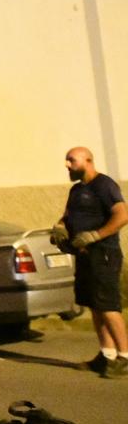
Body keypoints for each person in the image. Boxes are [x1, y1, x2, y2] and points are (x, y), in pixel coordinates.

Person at [51, 146, 128, 378]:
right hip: (84, 257)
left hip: (104, 254)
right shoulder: (76, 190)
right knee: (94, 305)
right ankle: (106, 354)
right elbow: (66, 216)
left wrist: (96, 235)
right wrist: (60, 228)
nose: (67, 165)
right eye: (66, 160)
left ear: (88, 160)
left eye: (71, 160)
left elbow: (122, 215)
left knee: (108, 306)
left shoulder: (104, 185)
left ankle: (124, 357)